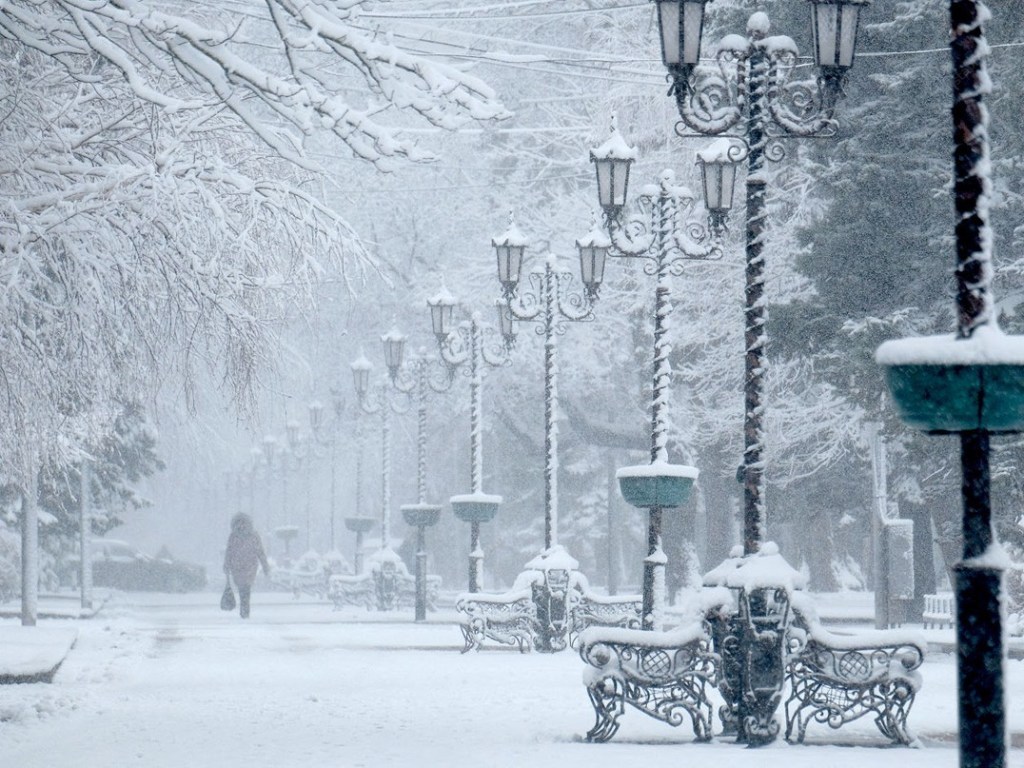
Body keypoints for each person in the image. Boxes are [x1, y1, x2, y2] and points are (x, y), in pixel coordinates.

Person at [223, 513, 270, 619]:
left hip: (243, 566)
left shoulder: (236, 536)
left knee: (244, 588)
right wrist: (265, 566)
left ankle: (244, 610)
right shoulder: (250, 536)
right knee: (244, 588)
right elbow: (260, 552)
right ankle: (245, 610)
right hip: (246, 566)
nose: (242, 525)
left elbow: (229, 552)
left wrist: (227, 564)